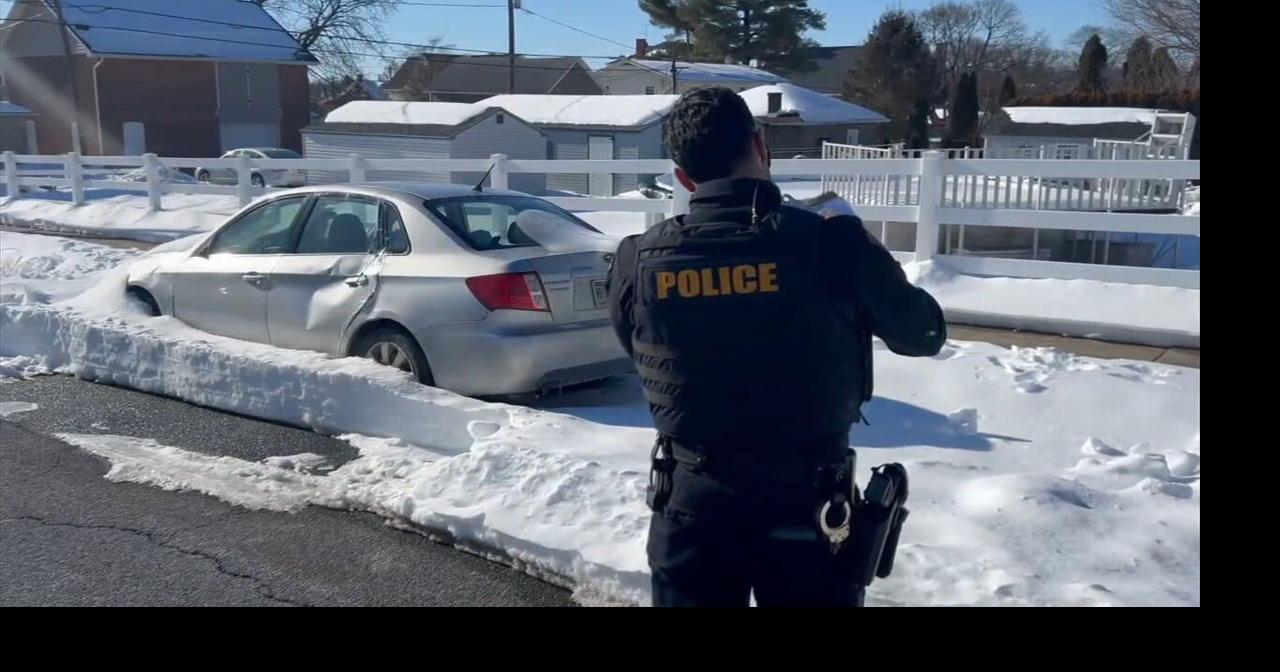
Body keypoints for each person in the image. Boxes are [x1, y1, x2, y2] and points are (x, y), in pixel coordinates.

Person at [606, 86, 947, 607]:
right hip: (806, 510)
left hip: (692, 504)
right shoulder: (830, 243)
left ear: (682, 177)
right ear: (762, 149)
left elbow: (639, 350)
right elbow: (923, 334)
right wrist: (859, 246)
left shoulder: (638, 258)